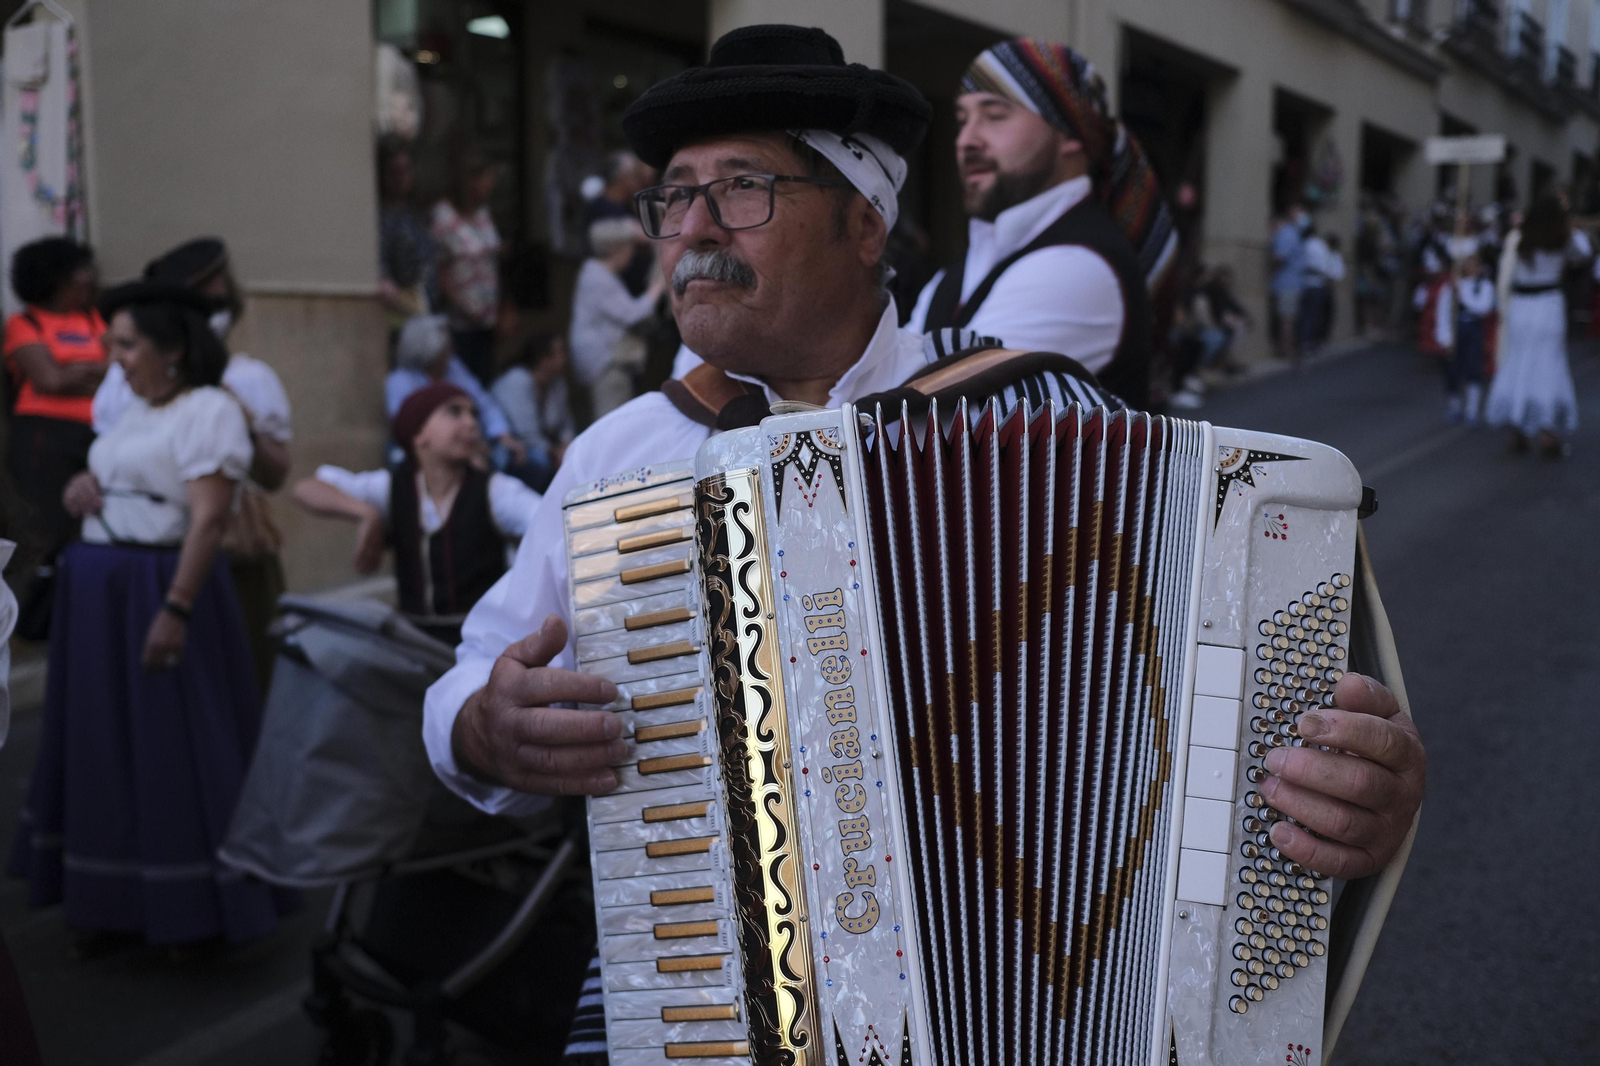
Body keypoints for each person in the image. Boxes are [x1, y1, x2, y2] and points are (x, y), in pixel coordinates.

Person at [407, 26, 1426, 1063]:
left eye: (744, 187)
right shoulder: (619, 461)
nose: (694, 228)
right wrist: (488, 728)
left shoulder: (1048, 415)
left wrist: (1352, 796)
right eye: (674, 194)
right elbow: (455, 694)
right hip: (717, 1008)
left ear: (864, 223)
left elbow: (1273, 737)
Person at [8, 281, 292, 951]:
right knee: (106, 744)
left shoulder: (209, 411)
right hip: (101, 592)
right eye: (112, 345)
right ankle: (116, 899)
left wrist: (175, 609)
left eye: (127, 345)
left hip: (155, 587)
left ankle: (190, 904)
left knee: (172, 748)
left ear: (174, 350)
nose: (115, 359)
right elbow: (131, 483)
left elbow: (207, 520)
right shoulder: (134, 411)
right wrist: (89, 491)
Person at [905, 38, 1177, 407]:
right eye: (962, 119)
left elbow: (917, 413)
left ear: (1069, 133)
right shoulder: (957, 274)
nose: (966, 140)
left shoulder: (1081, 268)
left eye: (995, 114)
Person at [93, 239, 293, 692]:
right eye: (207, 290)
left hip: (228, 550)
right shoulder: (121, 383)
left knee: (234, 680)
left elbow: (276, 474)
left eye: (223, 289)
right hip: (136, 560)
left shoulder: (245, 379)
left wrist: (237, 419)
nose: (219, 298)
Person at [293, 382, 540, 645]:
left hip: (481, 642)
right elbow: (305, 489)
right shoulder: (393, 488)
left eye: (473, 414)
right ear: (419, 434)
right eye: (454, 412)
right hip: (414, 644)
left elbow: (549, 521)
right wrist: (367, 514)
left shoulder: (496, 490)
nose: (471, 423)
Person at [3, 237, 105, 633]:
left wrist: (72, 373)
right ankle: (32, 622)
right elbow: (48, 379)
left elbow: (116, 373)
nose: (90, 278)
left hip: (96, 433)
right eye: (81, 270)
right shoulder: (23, 323)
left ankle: (77, 615)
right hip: (44, 436)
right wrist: (91, 371)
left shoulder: (95, 319)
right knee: (45, 527)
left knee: (88, 524)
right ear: (56, 278)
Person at [1485, 193, 1587, 457]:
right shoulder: (1563, 239)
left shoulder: (1520, 238)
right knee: (1547, 368)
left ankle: (1516, 431)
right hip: (1548, 306)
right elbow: (1583, 254)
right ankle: (1547, 435)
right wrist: (1571, 226)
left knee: (1518, 365)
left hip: (1522, 307)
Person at [386, 314, 526, 471]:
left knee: (517, 458)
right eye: (446, 347)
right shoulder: (399, 381)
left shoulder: (454, 368)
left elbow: (484, 403)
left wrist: (502, 435)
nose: (452, 351)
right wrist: (466, 448)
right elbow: (409, 428)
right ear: (429, 351)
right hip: (425, 448)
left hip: (471, 442)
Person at [569, 217, 666, 422]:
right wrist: (657, 287)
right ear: (614, 249)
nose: (632, 253)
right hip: (606, 364)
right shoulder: (598, 278)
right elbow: (633, 314)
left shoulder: (597, 272)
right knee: (612, 422)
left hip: (604, 362)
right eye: (629, 246)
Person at [433, 155, 502, 385]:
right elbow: (439, 269)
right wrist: (462, 306)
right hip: (460, 323)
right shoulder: (444, 216)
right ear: (471, 181)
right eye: (487, 179)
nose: (491, 185)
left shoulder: (483, 214)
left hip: (487, 320)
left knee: (485, 382)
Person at [490, 332, 575, 492]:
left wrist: (567, 446)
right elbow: (526, 434)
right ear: (543, 358)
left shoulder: (557, 384)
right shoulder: (518, 380)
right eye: (560, 352)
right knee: (542, 462)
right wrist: (556, 452)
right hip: (509, 450)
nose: (565, 357)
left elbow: (566, 425)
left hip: (541, 448)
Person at [377, 136, 439, 332]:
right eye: (394, 172)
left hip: (428, 309)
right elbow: (380, 262)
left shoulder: (417, 216)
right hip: (400, 316)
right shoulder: (380, 218)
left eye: (406, 170)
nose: (401, 177)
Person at [1444, 253, 1494, 426]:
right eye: (1468, 265)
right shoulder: (1456, 286)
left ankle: (1472, 410)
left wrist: (1462, 294)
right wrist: (1445, 337)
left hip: (1473, 329)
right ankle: (1454, 406)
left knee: (1473, 367)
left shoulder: (1484, 286)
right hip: (1456, 329)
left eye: (1475, 265)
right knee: (1452, 369)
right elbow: (1444, 312)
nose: (1472, 268)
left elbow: (1482, 308)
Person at [1270, 203, 1308, 361]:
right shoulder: (1288, 233)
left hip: (1290, 282)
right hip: (1288, 283)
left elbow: (1280, 258)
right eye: (1299, 211)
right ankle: (1286, 349)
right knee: (1288, 318)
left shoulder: (1291, 233)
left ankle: (1286, 348)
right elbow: (1280, 257)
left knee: (1288, 318)